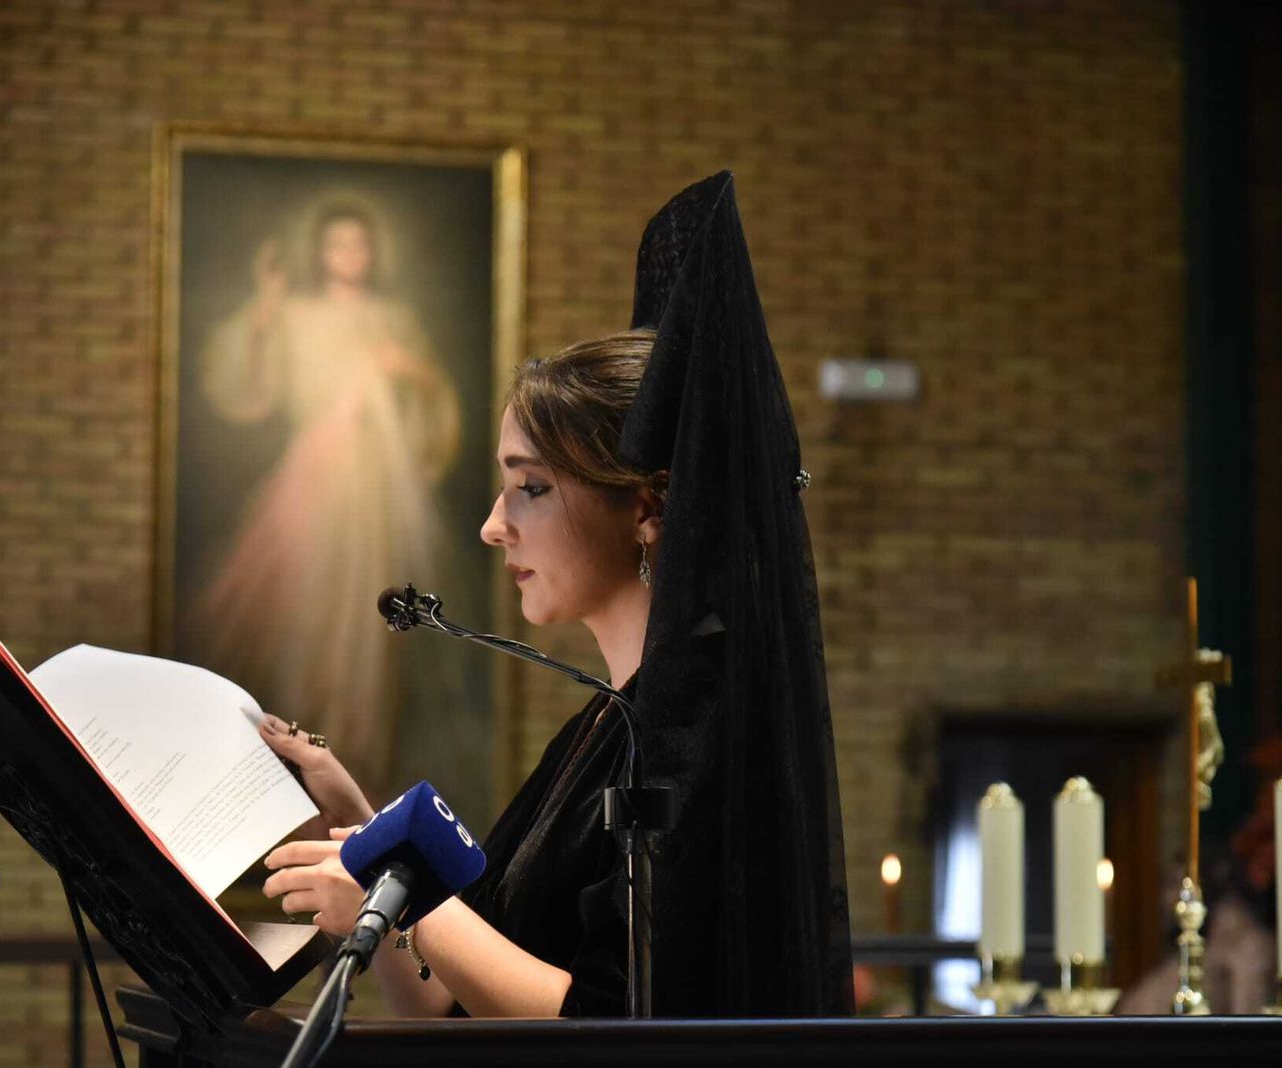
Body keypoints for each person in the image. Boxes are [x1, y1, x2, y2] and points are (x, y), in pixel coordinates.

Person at [255, 172, 855, 1017]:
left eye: (529, 487)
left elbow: (609, 1025)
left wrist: (413, 912)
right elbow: (444, 1002)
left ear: (646, 507)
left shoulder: (704, 726)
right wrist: (352, 817)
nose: (494, 527)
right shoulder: (608, 722)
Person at [192, 202, 461, 793]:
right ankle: (294, 759)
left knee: (364, 625)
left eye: (359, 246)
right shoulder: (296, 313)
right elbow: (246, 386)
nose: (349, 257)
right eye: (338, 246)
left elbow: (432, 399)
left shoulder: (393, 317)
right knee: (304, 615)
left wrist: (406, 369)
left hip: (373, 489)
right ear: (321, 251)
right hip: (314, 476)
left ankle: (355, 755)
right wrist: (265, 304)